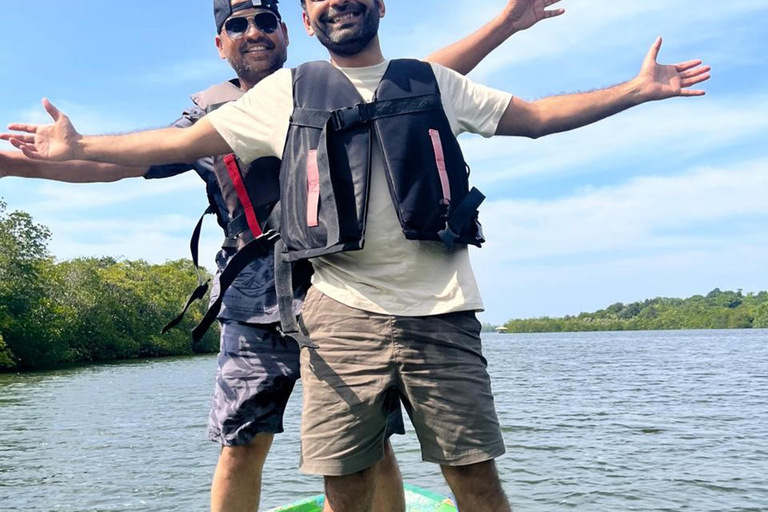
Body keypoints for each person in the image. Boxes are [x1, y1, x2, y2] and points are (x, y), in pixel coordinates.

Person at [3, 1, 710, 511]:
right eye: (235, 24)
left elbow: (426, 85)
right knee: (259, 445)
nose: (253, 31)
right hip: (271, 300)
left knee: (390, 453)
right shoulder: (236, 110)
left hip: (368, 299)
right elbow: (135, 159)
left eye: (264, 19)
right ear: (221, 44)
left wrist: (516, 28)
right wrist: (30, 163)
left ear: (291, 29)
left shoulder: (367, 79)